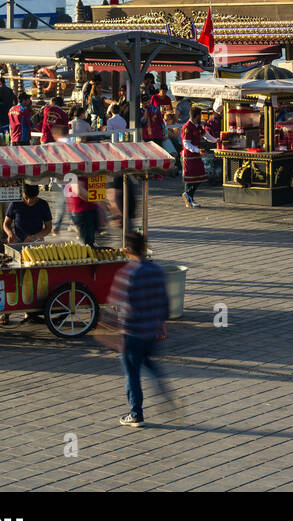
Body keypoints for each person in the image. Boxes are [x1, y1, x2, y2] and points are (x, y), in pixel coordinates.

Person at [108, 232, 174, 428]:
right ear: (145, 248)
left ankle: (136, 414)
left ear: (127, 251)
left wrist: (110, 331)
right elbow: (164, 302)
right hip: (150, 330)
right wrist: (161, 324)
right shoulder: (157, 270)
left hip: (132, 333)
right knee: (149, 363)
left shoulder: (128, 273)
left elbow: (119, 304)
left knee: (132, 374)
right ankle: (164, 391)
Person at [180, 106, 210, 209]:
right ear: (196, 116)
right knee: (190, 179)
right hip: (188, 157)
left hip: (196, 156)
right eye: (199, 116)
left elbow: (206, 135)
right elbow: (186, 144)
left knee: (200, 177)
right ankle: (188, 197)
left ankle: (188, 196)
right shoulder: (187, 127)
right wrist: (198, 150)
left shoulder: (197, 126)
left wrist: (216, 140)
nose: (200, 118)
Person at [63, 173, 100, 247]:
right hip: (82, 210)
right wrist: (97, 200)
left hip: (90, 208)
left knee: (90, 241)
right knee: (87, 244)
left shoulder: (88, 170)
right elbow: (77, 189)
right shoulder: (78, 170)